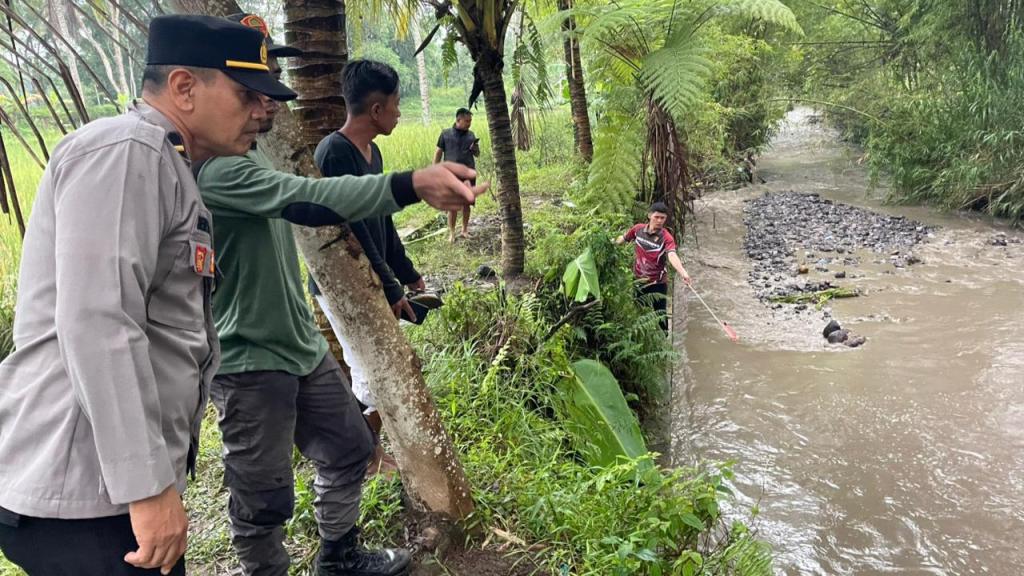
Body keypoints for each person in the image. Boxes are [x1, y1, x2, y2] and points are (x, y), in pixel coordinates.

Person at [0, 15, 295, 576]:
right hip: (86, 490)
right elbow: (99, 321)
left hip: (103, 487)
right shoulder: (128, 151)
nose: (267, 110)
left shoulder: (172, 166)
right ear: (184, 87)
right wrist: (148, 489)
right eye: (248, 94)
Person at [196, 15, 486, 576]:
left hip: (298, 343)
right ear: (196, 91)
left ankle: (339, 555)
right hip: (247, 357)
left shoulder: (250, 154)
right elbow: (307, 198)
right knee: (263, 496)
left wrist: (402, 276)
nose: (267, 108)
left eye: (272, 91)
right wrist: (412, 184)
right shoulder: (213, 171)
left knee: (351, 447)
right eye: (250, 96)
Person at [312, 59, 422, 478]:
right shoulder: (334, 153)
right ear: (376, 110)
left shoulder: (372, 152)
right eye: (395, 105)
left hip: (372, 278)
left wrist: (406, 273)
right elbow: (354, 229)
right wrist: (391, 285)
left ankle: (369, 450)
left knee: (379, 363)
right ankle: (364, 456)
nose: (399, 113)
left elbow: (382, 220)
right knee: (366, 368)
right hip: (343, 283)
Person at [614, 202, 692, 332]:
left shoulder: (666, 237)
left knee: (660, 317)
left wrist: (683, 272)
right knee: (639, 314)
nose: (659, 220)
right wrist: (611, 244)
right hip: (639, 280)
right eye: (657, 217)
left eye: (663, 218)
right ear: (650, 215)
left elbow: (672, 255)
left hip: (658, 283)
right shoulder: (638, 229)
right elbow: (623, 239)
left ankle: (664, 342)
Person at [433, 107, 480, 242]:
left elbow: (477, 154)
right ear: (458, 120)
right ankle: (452, 233)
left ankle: (464, 230)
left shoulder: (471, 135)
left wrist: (475, 149)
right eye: (467, 121)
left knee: (466, 203)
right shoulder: (445, 134)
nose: (469, 123)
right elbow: (438, 152)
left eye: (470, 121)